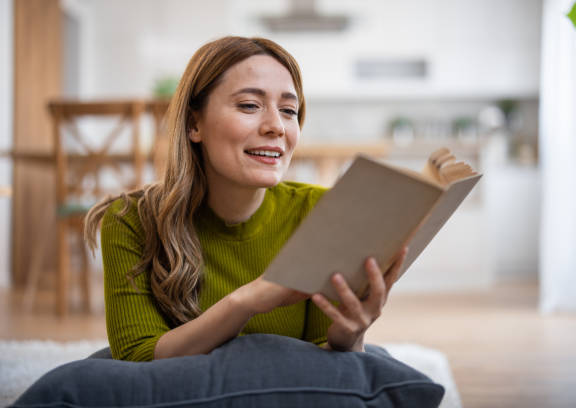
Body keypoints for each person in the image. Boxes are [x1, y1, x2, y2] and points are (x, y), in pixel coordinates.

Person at [84, 36, 409, 361]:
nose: (276, 127)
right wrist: (248, 301)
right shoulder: (130, 219)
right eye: (250, 105)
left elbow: (322, 370)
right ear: (194, 124)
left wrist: (347, 341)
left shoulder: (323, 213)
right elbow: (137, 360)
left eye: (288, 110)